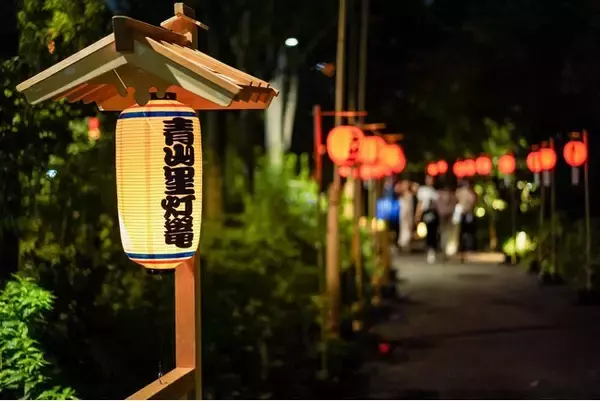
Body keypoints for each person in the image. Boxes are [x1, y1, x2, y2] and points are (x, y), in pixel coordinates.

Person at [415, 175, 439, 263]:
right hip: (426, 212)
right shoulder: (422, 190)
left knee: (433, 231)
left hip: (434, 213)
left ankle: (433, 249)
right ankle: (429, 248)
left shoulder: (434, 191)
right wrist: (417, 215)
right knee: (428, 231)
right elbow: (420, 203)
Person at [455, 179, 477, 263]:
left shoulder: (462, 192)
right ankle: (463, 252)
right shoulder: (461, 192)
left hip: (467, 214)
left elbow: (473, 202)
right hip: (462, 214)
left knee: (466, 234)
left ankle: (466, 252)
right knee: (464, 233)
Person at [436, 181, 456, 259]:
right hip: (446, 216)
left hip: (444, 215)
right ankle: (444, 250)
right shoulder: (451, 195)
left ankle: (444, 250)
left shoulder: (439, 195)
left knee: (444, 233)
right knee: (446, 233)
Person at [397, 180, 414, 252]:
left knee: (407, 229)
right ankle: (403, 244)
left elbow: (410, 208)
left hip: (407, 214)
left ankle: (405, 244)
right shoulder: (401, 195)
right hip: (402, 215)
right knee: (403, 229)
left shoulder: (409, 195)